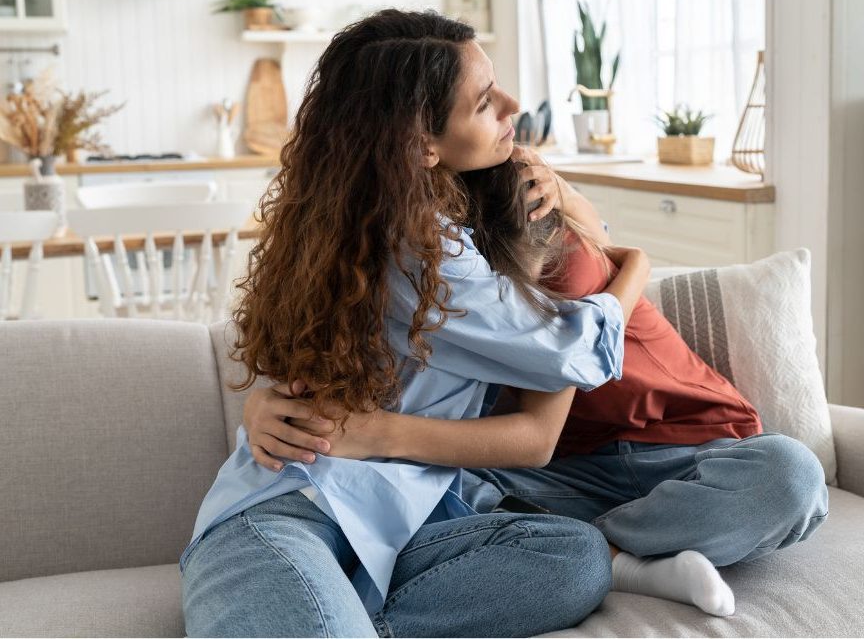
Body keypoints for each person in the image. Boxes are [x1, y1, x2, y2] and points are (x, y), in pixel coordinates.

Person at [180, 9, 653, 638]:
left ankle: (357, 617)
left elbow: (568, 274)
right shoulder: (419, 248)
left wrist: (565, 197)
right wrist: (640, 267)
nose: (513, 105)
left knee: (572, 558)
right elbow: (570, 349)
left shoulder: (373, 227)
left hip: (409, 529)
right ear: (420, 145)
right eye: (485, 102)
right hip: (291, 515)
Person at [248, 156, 830, 619]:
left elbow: (554, 385)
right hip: (554, 478)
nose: (505, 112)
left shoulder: (544, 245)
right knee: (411, 491)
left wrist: (624, 257)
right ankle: (620, 554)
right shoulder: (430, 271)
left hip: (688, 451)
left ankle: (610, 552)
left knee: (788, 475)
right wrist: (266, 405)